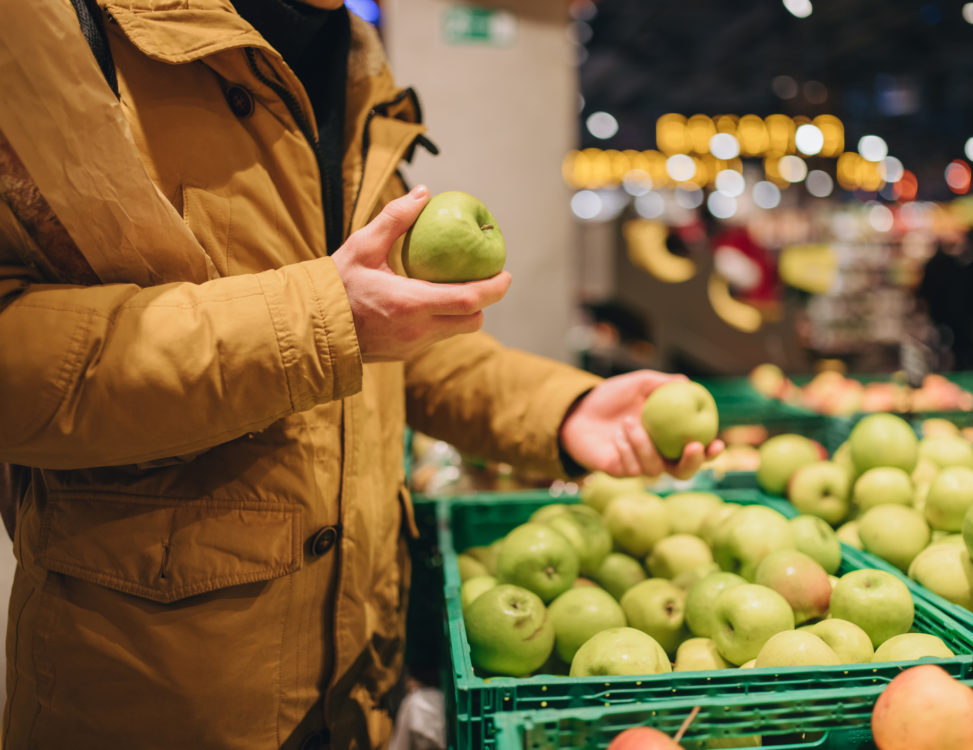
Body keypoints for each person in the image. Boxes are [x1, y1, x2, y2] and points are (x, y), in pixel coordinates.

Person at [0, 1, 721, 748]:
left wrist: (564, 410)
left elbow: (392, 345)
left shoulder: (356, 69)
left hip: (358, 683)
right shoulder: (58, 29)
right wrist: (321, 319)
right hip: (161, 699)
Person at [917, 226, 973, 371]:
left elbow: (923, 293)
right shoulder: (966, 266)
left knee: (949, 350)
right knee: (963, 350)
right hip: (963, 317)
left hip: (945, 317)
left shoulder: (939, 265)